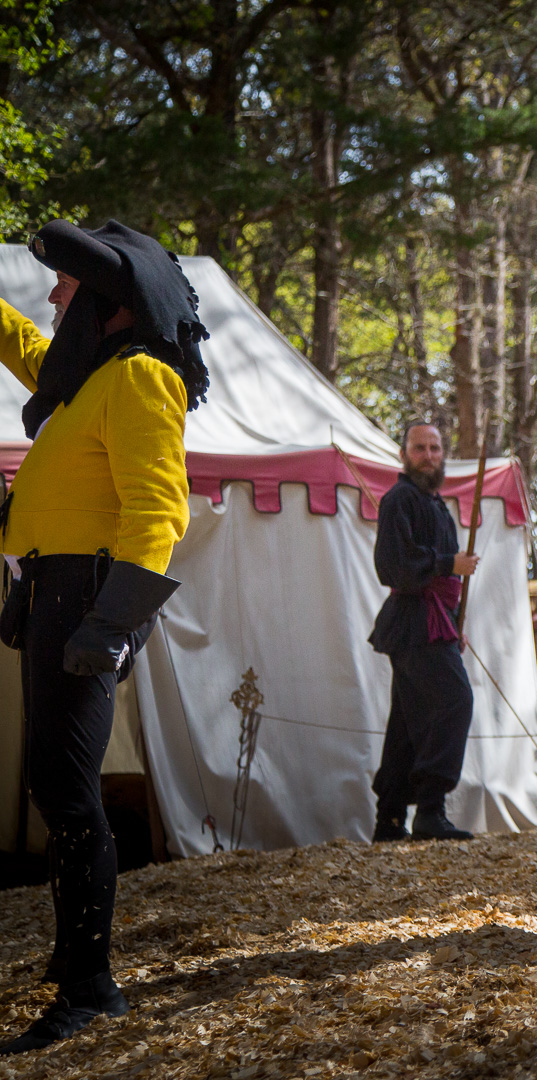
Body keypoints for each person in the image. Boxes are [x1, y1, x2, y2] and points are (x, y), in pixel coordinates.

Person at [0, 221, 209, 1055]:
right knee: (55, 784)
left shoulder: (141, 377)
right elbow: (26, 345)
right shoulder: (89, 378)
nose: (53, 295)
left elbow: (159, 509)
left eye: (67, 284)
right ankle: (71, 961)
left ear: (109, 306)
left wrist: (110, 623)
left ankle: (90, 987)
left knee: (68, 793)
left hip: (85, 599)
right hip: (54, 595)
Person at [368, 422, 479, 844]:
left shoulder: (436, 505)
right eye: (419, 448)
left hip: (434, 622)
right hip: (414, 623)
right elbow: (392, 566)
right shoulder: (399, 499)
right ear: (403, 455)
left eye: (434, 448)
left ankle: (390, 819)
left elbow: (442, 581)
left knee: (407, 721)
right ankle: (430, 810)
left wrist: (453, 620)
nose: (429, 455)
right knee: (454, 701)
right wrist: (449, 563)